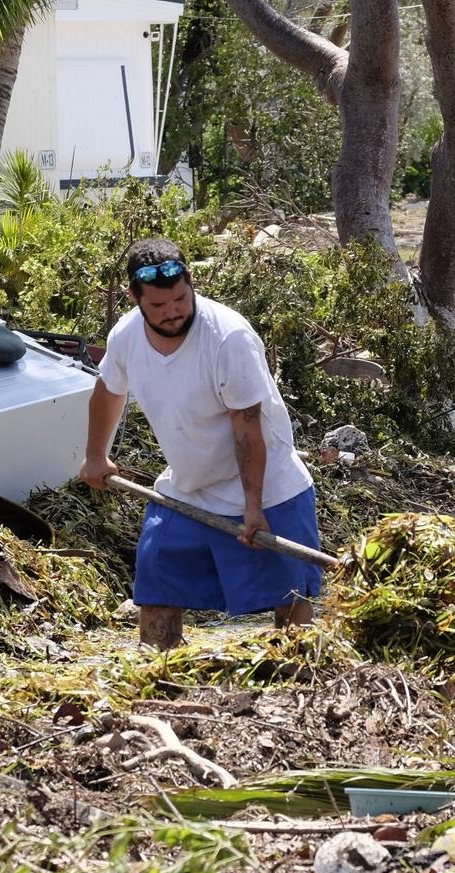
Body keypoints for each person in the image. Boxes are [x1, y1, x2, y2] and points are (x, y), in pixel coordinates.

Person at [79, 237, 320, 649]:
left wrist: (254, 506)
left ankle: (300, 682)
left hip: (270, 487)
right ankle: (158, 671)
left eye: (179, 299)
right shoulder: (126, 335)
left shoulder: (228, 337)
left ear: (191, 284)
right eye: (157, 306)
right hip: (188, 487)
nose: (172, 312)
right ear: (136, 300)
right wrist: (95, 455)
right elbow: (108, 390)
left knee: (291, 597)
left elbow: (247, 427)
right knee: (157, 583)